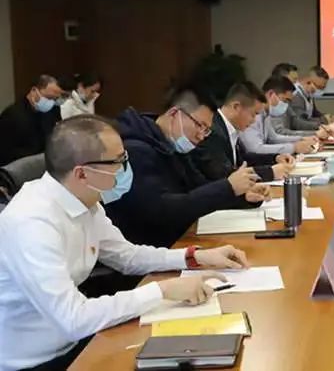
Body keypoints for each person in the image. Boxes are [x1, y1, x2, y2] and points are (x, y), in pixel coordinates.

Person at [0, 115, 249, 371]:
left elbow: (127, 256)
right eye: (118, 161)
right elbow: (73, 318)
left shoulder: (85, 200)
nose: (125, 169)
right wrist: (162, 290)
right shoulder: (31, 223)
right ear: (82, 173)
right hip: (36, 362)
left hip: (77, 342)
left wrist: (194, 256)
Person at [104, 87, 271, 248]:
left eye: (206, 130)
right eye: (199, 125)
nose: (201, 135)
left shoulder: (174, 145)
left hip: (178, 240)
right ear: (174, 114)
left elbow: (199, 187)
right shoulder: (135, 150)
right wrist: (228, 187)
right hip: (149, 247)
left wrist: (242, 196)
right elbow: (162, 211)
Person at [193, 81, 295, 180]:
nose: (254, 120)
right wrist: (270, 172)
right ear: (236, 107)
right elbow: (226, 175)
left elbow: (244, 159)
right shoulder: (213, 131)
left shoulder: (229, 128)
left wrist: (275, 158)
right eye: (253, 114)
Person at [240, 76, 321, 155]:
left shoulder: (266, 114)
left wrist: (302, 139)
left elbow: (274, 138)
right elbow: (256, 149)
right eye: (285, 100)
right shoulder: (253, 114)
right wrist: (294, 148)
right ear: (271, 94)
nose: (286, 105)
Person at [0, 74, 64, 166]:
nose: (51, 102)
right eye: (49, 98)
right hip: (20, 166)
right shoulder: (12, 115)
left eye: (55, 99)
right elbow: (5, 152)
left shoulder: (52, 111)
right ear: (34, 90)